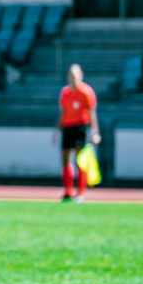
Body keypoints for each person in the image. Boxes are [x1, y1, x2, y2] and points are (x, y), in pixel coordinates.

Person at [57, 63, 100, 203]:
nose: (73, 78)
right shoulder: (65, 93)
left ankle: (80, 193)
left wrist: (95, 132)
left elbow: (92, 113)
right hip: (67, 127)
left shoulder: (86, 92)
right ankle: (68, 192)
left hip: (80, 127)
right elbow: (62, 113)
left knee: (80, 161)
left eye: (75, 75)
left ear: (81, 76)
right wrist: (56, 130)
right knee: (65, 160)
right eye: (71, 75)